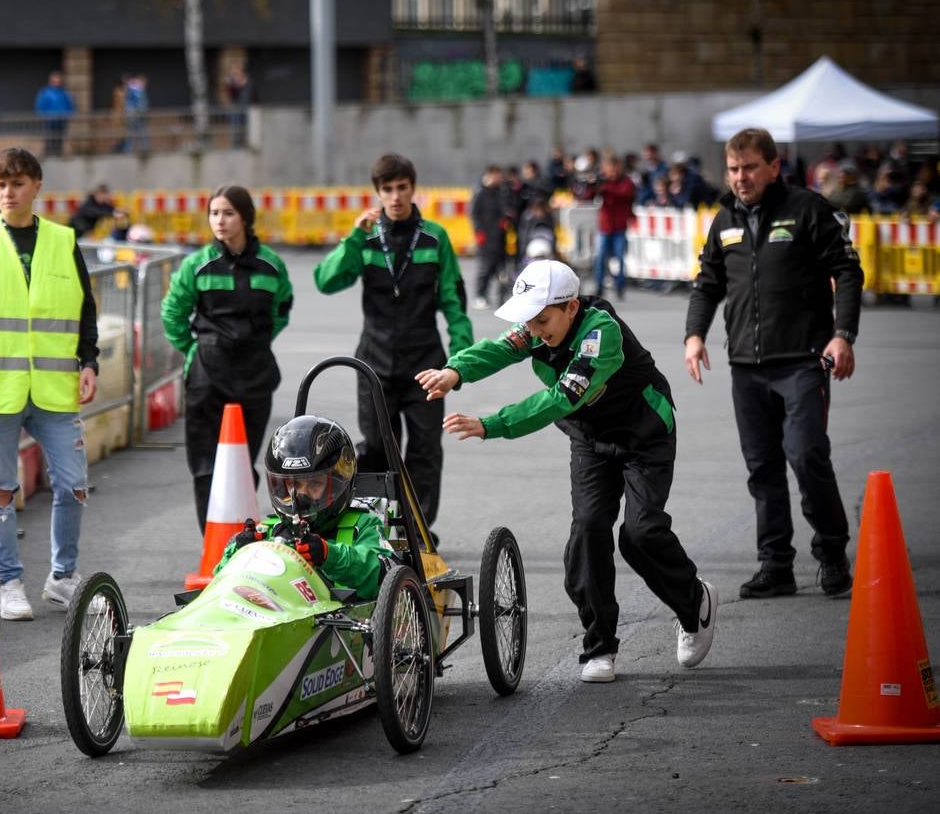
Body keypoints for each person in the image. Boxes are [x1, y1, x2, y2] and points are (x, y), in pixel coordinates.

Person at [418, 259, 717, 683]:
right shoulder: (537, 326)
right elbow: (501, 348)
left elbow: (560, 399)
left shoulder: (600, 335)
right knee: (589, 530)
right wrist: (455, 371)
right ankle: (600, 646)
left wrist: (492, 425)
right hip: (591, 439)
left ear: (571, 307)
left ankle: (695, 603)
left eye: (543, 320)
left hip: (644, 436)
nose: (536, 330)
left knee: (640, 534)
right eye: (531, 321)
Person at [684, 127, 862, 600]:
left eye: (750, 168)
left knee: (805, 456)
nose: (740, 178)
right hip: (746, 365)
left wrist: (842, 336)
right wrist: (694, 336)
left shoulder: (806, 208)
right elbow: (707, 283)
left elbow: (847, 271)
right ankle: (776, 564)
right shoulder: (723, 219)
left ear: (773, 166)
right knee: (762, 468)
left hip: (804, 361)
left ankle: (830, 554)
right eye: (734, 169)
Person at [0, 147, 100, 619]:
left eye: (17, 184)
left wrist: (88, 359)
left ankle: (62, 578)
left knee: (73, 484)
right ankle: (10, 583)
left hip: (55, 387)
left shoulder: (62, 240)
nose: (8, 193)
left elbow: (83, 307)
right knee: (0, 489)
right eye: (0, 185)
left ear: (37, 186)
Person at [314, 153, 473, 530]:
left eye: (402, 188)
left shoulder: (436, 237)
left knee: (425, 452)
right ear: (378, 193)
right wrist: (354, 236)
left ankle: (418, 532)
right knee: (377, 451)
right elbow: (325, 281)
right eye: (388, 189)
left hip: (426, 365)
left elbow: (453, 300)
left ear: (412, 189)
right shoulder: (366, 238)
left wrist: (460, 360)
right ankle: (382, 530)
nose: (396, 196)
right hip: (374, 365)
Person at [161, 186, 293, 532]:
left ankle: (242, 538)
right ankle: (213, 542)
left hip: (255, 377)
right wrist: (195, 349)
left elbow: (281, 310)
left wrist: (256, 342)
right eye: (214, 213)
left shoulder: (271, 266)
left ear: (246, 218)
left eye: (228, 213)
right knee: (206, 465)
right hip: (207, 378)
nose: (220, 220)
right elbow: (172, 313)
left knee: (245, 465)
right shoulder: (196, 265)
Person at [215, 415, 394, 601]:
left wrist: (327, 555)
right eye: (294, 485)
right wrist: (239, 553)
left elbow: (378, 574)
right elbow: (217, 583)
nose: (301, 495)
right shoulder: (270, 530)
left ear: (339, 483)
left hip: (337, 621)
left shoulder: (363, 524)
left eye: (314, 484)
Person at [579, 154, 636, 298]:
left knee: (620, 257)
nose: (612, 172)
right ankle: (599, 286)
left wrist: (605, 188)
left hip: (619, 226)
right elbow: (588, 196)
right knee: (599, 257)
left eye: (614, 168)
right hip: (605, 226)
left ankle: (620, 285)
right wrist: (593, 186)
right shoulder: (602, 182)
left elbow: (626, 193)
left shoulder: (625, 182)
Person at [470, 164, 517, 309]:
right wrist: (479, 232)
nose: (500, 178)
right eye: (497, 175)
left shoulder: (501, 192)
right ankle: (479, 295)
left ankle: (501, 297)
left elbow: (506, 209)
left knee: (501, 268)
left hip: (500, 236)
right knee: (486, 267)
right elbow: (474, 214)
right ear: (490, 175)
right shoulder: (481, 193)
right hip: (487, 236)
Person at [34, 71, 74, 157]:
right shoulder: (45, 92)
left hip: (61, 119)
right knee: (49, 137)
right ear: (51, 82)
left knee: (59, 137)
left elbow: (70, 105)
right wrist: (43, 115)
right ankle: (49, 153)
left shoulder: (64, 93)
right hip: (49, 119)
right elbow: (40, 105)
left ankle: (58, 153)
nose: (57, 83)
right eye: (55, 81)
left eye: (59, 81)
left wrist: (68, 114)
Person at [223, 65, 250, 149]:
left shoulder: (246, 81)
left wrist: (241, 83)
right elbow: (232, 94)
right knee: (235, 127)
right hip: (235, 108)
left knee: (245, 127)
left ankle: (244, 143)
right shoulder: (231, 83)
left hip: (245, 108)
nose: (236, 75)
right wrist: (232, 83)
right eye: (234, 73)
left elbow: (249, 92)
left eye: (237, 73)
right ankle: (236, 145)